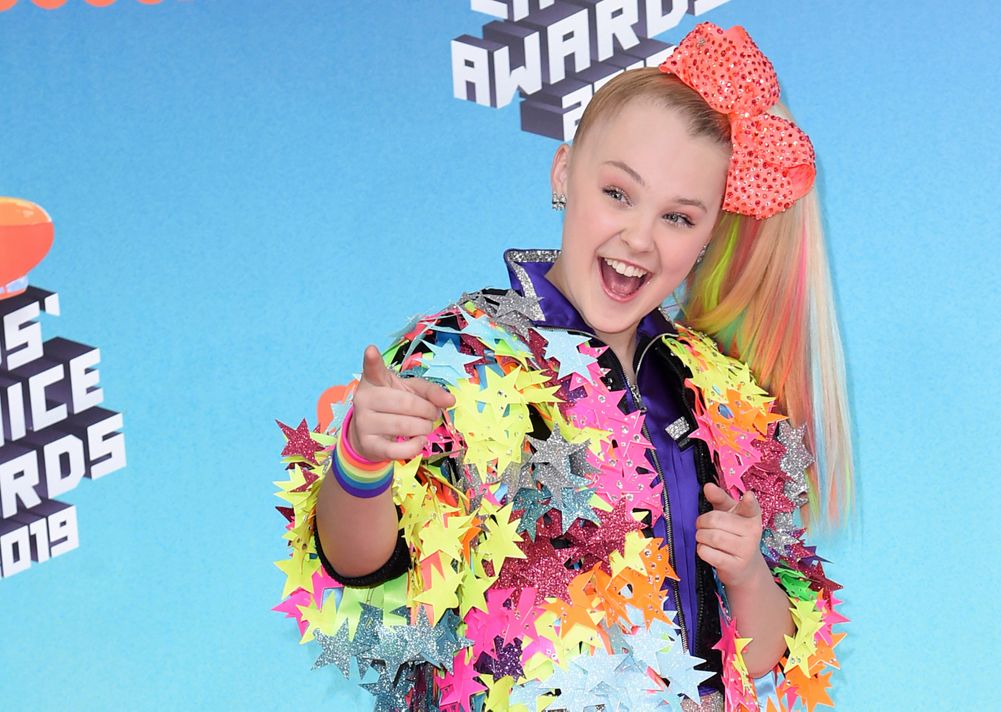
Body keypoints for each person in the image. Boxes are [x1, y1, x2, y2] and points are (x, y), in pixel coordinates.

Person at [273, 21, 854, 712]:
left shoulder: (724, 402)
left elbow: (757, 667)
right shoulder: (465, 355)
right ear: (563, 173)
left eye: (678, 217)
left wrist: (748, 573)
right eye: (618, 193)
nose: (639, 236)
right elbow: (365, 571)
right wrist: (362, 461)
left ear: (706, 237)